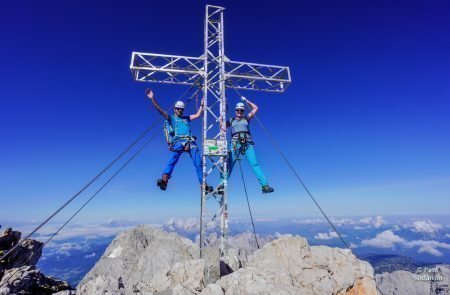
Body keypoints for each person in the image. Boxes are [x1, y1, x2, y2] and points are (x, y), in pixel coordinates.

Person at [146, 89, 213, 192]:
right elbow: (161, 111)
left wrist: (202, 105)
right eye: (178, 109)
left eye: (181, 109)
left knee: (198, 163)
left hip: (190, 142)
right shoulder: (172, 118)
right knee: (173, 159)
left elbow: (198, 115)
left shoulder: (186, 119)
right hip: (179, 141)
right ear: (174, 109)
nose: (179, 111)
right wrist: (153, 99)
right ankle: (165, 178)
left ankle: (203, 184)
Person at [220, 97, 274, 194]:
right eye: (238, 110)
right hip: (235, 144)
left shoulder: (246, 119)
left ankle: (264, 185)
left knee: (255, 164)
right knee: (229, 165)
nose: (239, 112)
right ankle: (221, 186)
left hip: (248, 143)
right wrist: (223, 114)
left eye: (241, 110)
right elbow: (222, 125)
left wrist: (246, 101)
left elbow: (255, 108)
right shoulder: (232, 120)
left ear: (243, 111)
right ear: (235, 110)